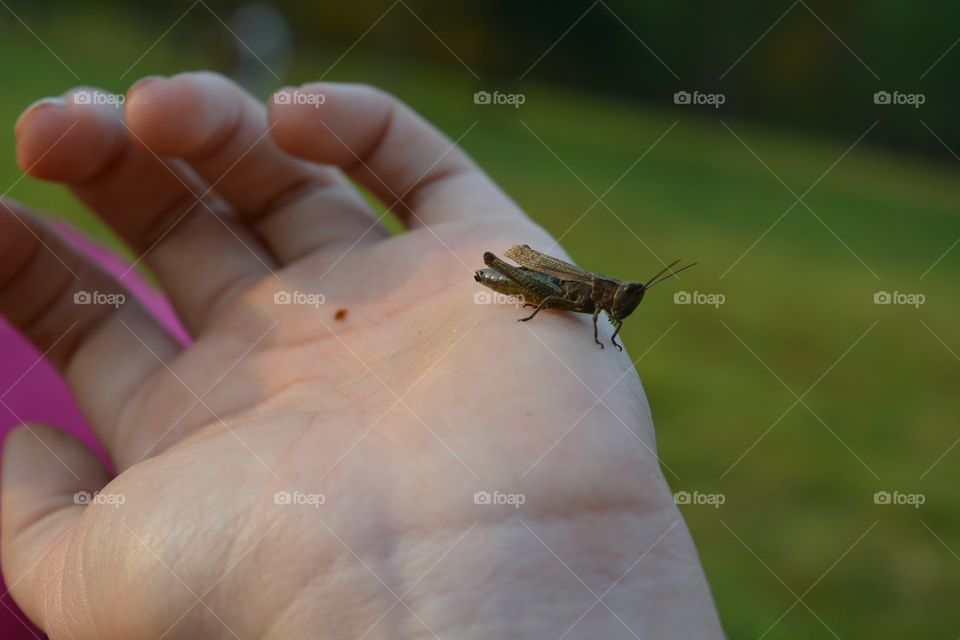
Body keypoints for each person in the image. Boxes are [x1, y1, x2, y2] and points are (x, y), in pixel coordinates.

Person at [0, 72, 724, 638]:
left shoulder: (602, 323)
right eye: (626, 298)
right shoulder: (589, 294)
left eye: (628, 300)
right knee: (518, 278)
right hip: (529, 278)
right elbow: (571, 298)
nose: (624, 304)